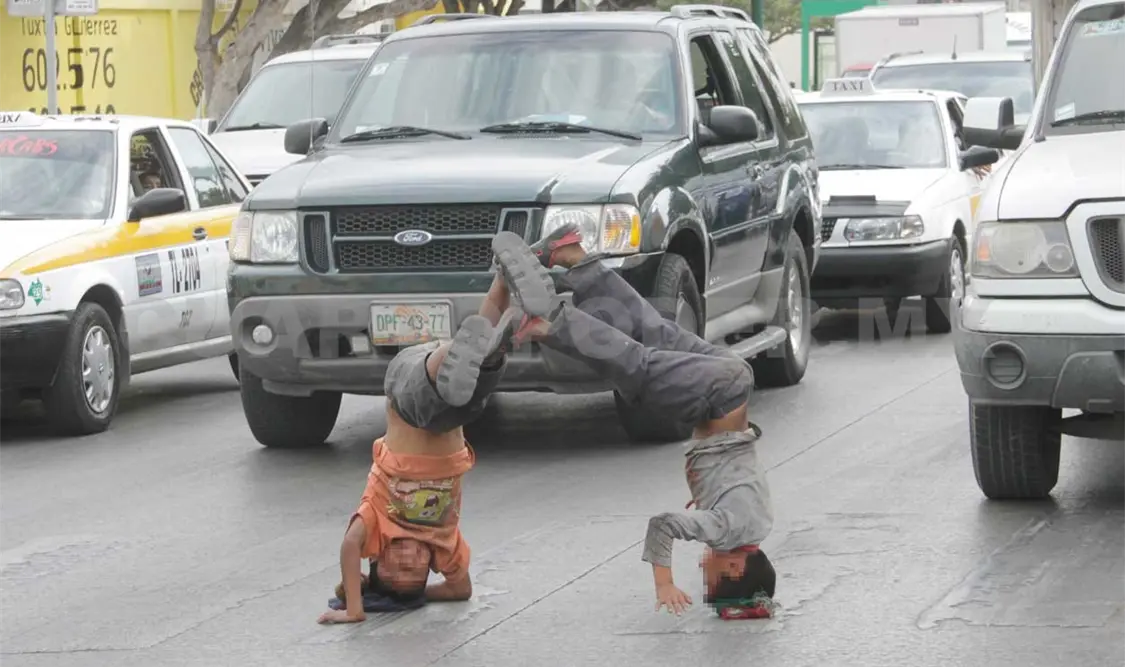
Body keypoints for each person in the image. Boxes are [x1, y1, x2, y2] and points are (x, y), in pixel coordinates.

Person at [490, 225, 777, 619]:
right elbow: (664, 525)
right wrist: (664, 583)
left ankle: (573, 256)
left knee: (652, 332)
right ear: (733, 568)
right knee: (636, 370)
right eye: (710, 580)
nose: (702, 570)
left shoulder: (758, 523)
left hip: (730, 381)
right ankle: (546, 322)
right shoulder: (728, 531)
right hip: (719, 395)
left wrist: (751, 604)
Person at [316, 275, 531, 625]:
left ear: (377, 556)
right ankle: (503, 281)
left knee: (429, 400)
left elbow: (349, 547)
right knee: (473, 392)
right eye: (416, 572)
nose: (409, 561)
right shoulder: (444, 545)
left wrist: (356, 607)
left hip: (407, 386)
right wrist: (419, 596)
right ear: (430, 566)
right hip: (452, 410)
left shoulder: (377, 524)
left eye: (395, 567)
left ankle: (465, 347)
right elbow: (460, 589)